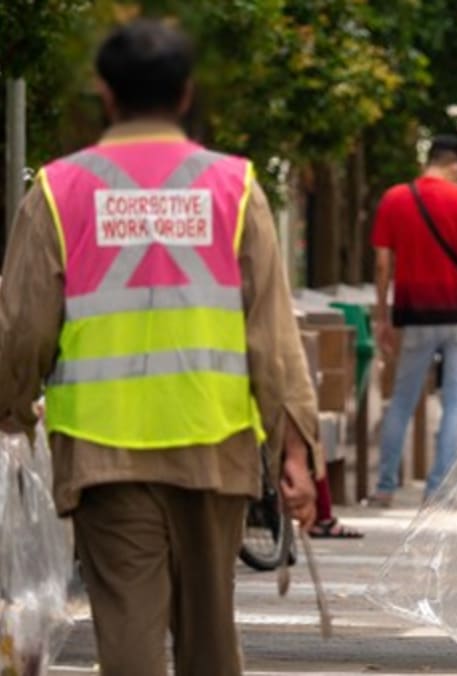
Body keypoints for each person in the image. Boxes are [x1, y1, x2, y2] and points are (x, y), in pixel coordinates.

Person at [0, 19, 319, 675]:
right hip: (214, 443)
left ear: (105, 93)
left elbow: (23, 329)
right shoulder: (235, 189)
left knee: (128, 635)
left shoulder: (57, 193)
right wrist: (294, 445)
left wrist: (9, 410)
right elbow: (272, 334)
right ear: (185, 93)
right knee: (210, 635)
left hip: (104, 454)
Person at [368, 134, 457, 507]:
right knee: (453, 401)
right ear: (455, 166)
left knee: (402, 398)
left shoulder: (395, 199)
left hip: (413, 313)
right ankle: (438, 489)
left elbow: (383, 263)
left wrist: (383, 316)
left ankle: (385, 486)